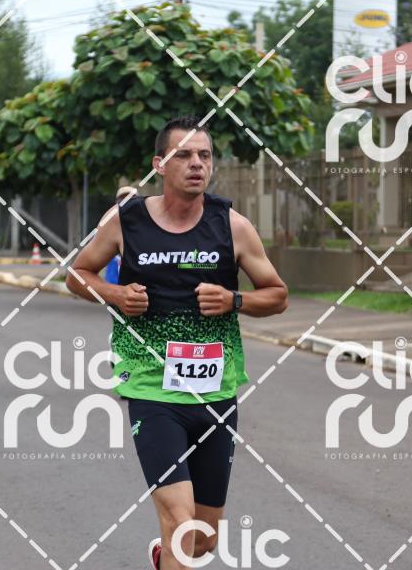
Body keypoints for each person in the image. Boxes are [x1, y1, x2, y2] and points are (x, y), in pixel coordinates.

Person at [67, 115, 288, 569]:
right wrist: (115, 295)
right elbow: (77, 274)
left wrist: (234, 299)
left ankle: (164, 555)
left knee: (203, 540)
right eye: (184, 155)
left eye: (204, 155)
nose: (196, 164)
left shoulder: (232, 226)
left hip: (215, 393)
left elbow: (277, 294)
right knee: (180, 522)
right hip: (152, 390)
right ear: (160, 165)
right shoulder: (126, 221)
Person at [103, 186, 137, 285]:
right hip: (113, 287)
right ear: (116, 203)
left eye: (131, 199)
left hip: (136, 288)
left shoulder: (146, 228)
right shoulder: (106, 227)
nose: (126, 202)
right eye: (122, 199)